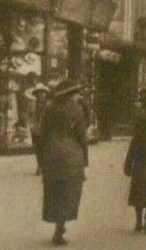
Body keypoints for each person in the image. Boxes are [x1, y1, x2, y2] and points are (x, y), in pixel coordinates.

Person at [37, 80, 89, 246]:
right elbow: (82, 136)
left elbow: (42, 136)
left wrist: (40, 160)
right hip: (71, 155)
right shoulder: (76, 110)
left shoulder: (48, 109)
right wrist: (85, 159)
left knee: (54, 191)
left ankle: (57, 225)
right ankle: (60, 226)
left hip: (51, 154)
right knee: (68, 191)